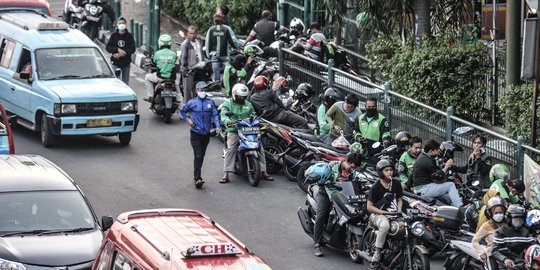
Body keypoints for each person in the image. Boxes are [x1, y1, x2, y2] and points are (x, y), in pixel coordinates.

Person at [313, 152, 363, 257]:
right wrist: (327, 182)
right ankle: (317, 244)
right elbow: (322, 181)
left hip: (342, 196)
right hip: (325, 194)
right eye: (351, 166)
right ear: (346, 161)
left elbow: (354, 183)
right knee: (321, 216)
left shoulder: (352, 172)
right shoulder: (332, 166)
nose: (351, 169)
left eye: (354, 168)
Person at [220, 83, 273, 183]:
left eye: (243, 97)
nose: (241, 99)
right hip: (234, 130)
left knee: (260, 148)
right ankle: (226, 173)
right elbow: (223, 115)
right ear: (234, 95)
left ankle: (263, 171)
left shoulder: (248, 104)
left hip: (248, 130)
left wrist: (255, 118)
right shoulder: (228, 103)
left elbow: (253, 114)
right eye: (240, 97)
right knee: (231, 149)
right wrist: (228, 121)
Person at [179, 81, 221, 188]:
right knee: (198, 155)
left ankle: (198, 175)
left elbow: (215, 115)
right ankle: (197, 178)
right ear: (197, 91)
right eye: (201, 90)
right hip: (195, 134)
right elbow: (182, 112)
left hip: (206, 134)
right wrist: (188, 120)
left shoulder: (210, 103)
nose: (203, 92)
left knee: (201, 156)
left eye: (205, 90)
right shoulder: (192, 102)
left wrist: (217, 126)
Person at [367, 159, 403, 263]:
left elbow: (400, 199)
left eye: (391, 170)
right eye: (386, 170)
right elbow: (369, 207)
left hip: (395, 212)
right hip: (378, 214)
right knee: (385, 226)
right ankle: (377, 251)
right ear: (380, 172)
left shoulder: (396, 183)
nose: (389, 172)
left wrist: (399, 209)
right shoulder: (375, 187)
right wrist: (383, 213)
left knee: (411, 223)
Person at [411, 139, 463, 207]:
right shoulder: (427, 160)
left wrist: (442, 166)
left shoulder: (423, 157)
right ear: (431, 151)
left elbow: (432, 170)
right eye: (437, 150)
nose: (439, 152)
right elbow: (437, 176)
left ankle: (453, 210)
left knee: (447, 196)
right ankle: (459, 207)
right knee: (450, 185)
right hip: (424, 189)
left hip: (422, 188)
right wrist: (447, 166)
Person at [491, 205, 535, 269]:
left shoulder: (525, 232)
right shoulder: (501, 232)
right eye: (516, 217)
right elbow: (494, 251)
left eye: (521, 217)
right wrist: (505, 259)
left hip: (522, 264)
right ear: (509, 218)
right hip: (506, 265)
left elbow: (533, 246)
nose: (519, 220)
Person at [472, 197, 507, 264]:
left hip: (506, 255)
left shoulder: (506, 224)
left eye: (500, 212)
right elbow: (474, 241)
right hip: (492, 256)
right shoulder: (486, 225)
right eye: (496, 213)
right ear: (491, 213)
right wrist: (481, 253)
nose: (498, 215)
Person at [205, 13, 238, 82]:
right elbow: (232, 41)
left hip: (214, 55)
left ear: (214, 20)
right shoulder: (226, 29)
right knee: (227, 73)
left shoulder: (211, 30)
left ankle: (217, 87)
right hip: (225, 55)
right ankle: (226, 86)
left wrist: (208, 55)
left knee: (216, 75)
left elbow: (207, 43)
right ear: (222, 20)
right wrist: (236, 47)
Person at [144, 34, 177, 102]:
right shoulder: (174, 54)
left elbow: (154, 62)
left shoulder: (157, 53)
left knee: (147, 77)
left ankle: (151, 96)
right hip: (171, 78)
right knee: (178, 93)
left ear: (160, 43)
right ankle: (181, 108)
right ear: (170, 43)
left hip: (160, 77)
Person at [106, 17, 135, 85]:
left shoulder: (129, 36)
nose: (121, 25)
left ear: (126, 24)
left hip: (126, 63)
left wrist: (123, 53)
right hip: (115, 62)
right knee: (114, 82)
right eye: (120, 23)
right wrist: (117, 49)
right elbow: (108, 48)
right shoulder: (114, 35)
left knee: (125, 83)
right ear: (117, 25)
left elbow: (132, 49)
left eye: (123, 23)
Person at [179, 26, 205, 104]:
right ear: (187, 33)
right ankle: (187, 108)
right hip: (189, 70)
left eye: (194, 33)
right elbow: (183, 58)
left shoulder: (198, 43)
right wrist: (185, 69)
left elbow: (201, 54)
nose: (192, 35)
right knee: (187, 90)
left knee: (199, 88)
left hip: (199, 68)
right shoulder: (185, 44)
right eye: (190, 33)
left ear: (196, 34)